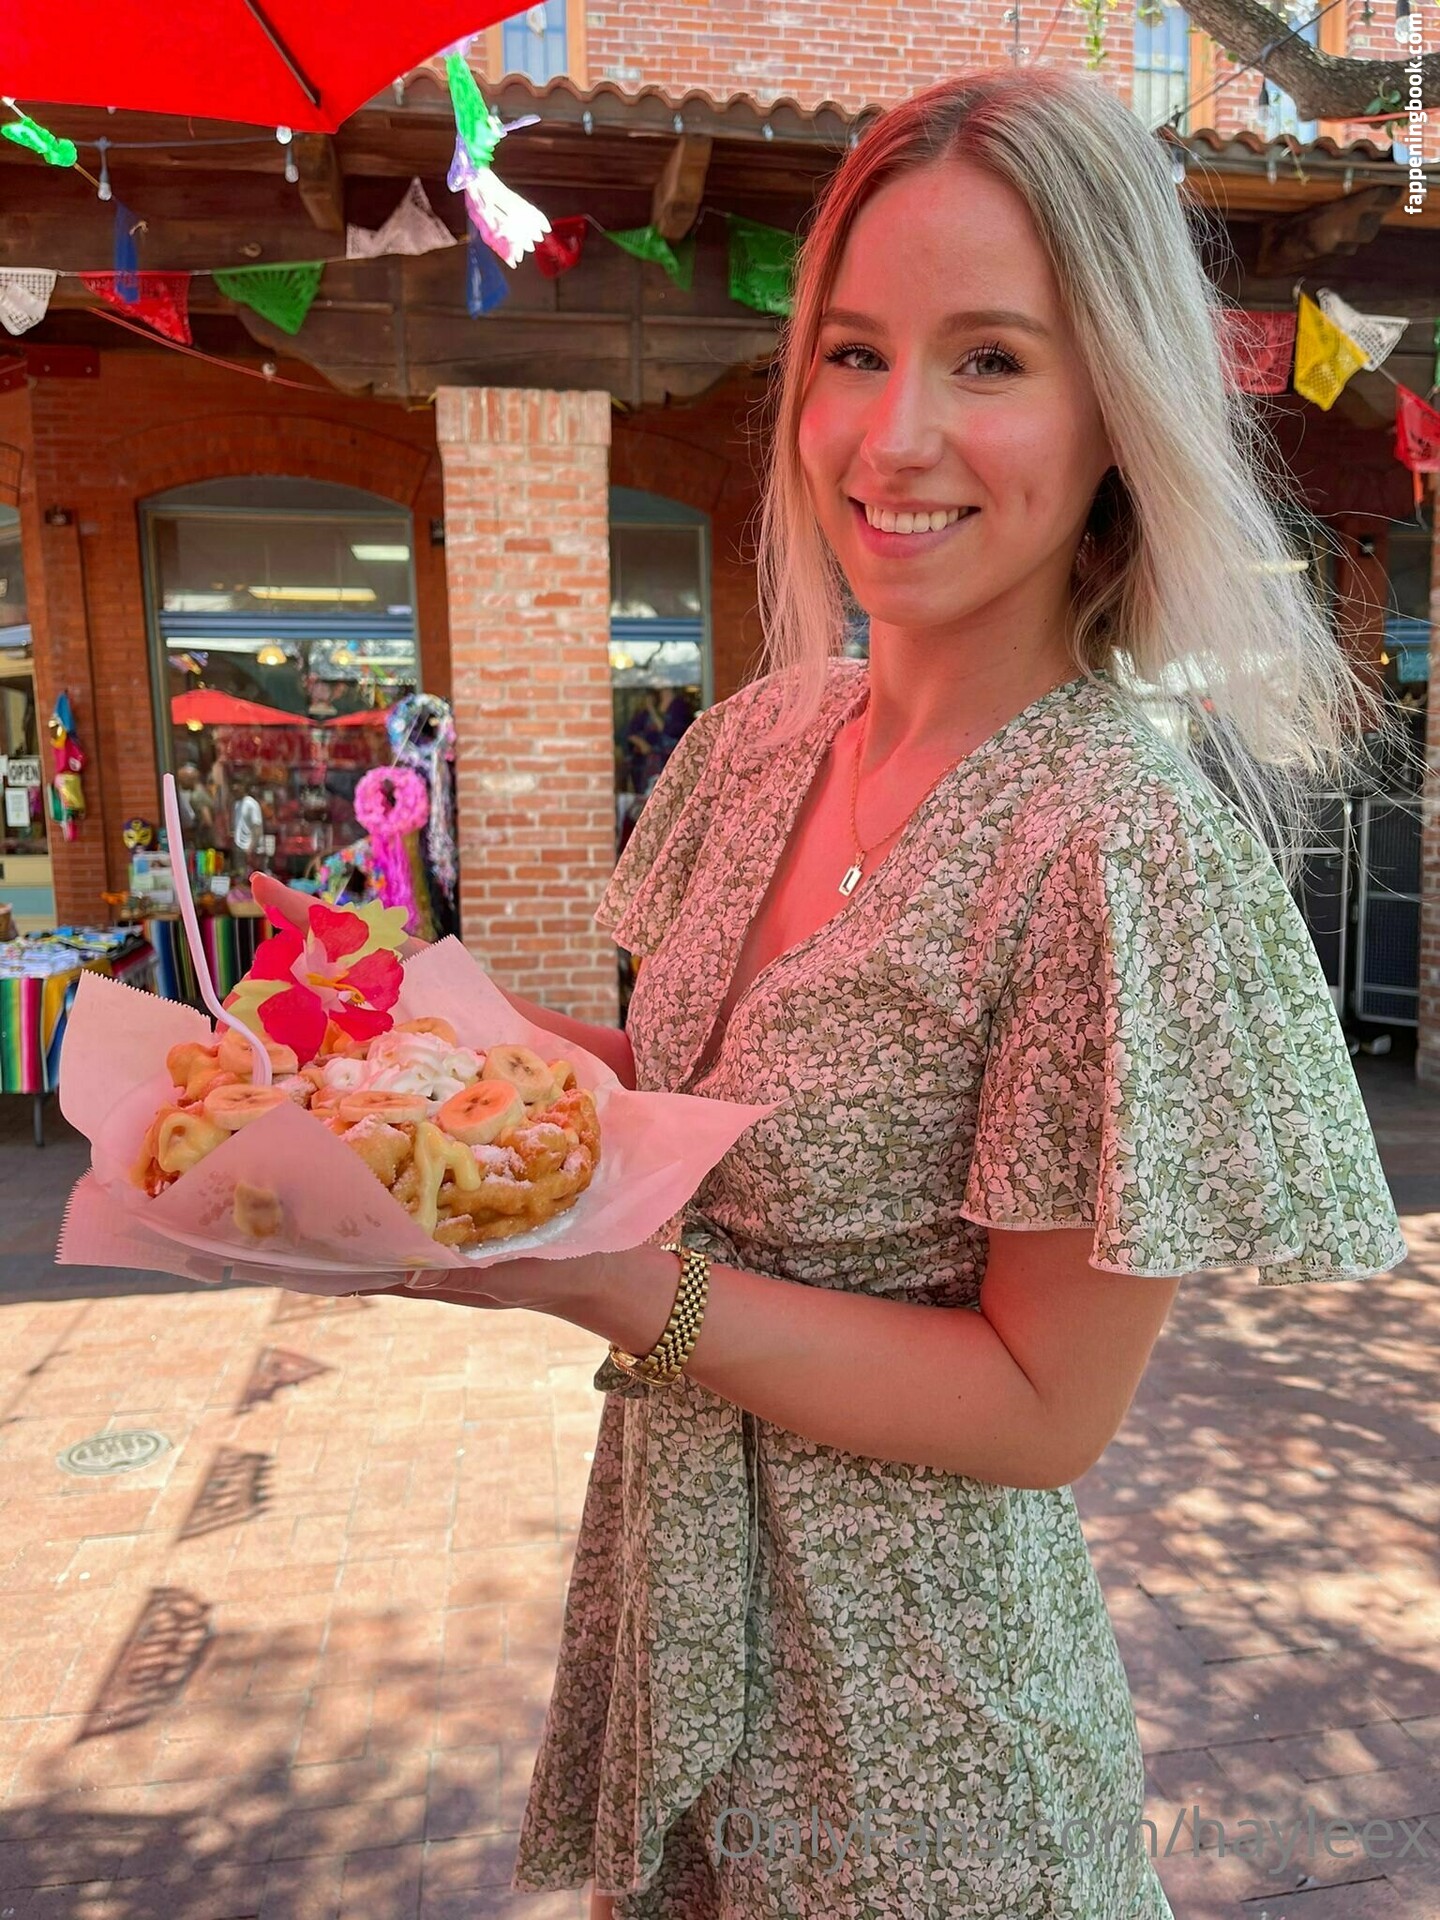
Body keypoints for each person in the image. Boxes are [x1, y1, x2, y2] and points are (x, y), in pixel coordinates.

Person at [251, 63, 1409, 1920]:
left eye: (990, 359)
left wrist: (617, 1282)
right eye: (854, 353)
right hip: (675, 1608)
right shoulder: (754, 740)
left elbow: (1046, 1407)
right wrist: (434, 1060)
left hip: (920, 1731)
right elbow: (704, 1100)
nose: (894, 435)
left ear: (1119, 412)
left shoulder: (1120, 847)